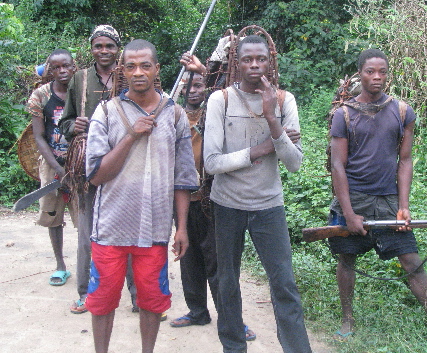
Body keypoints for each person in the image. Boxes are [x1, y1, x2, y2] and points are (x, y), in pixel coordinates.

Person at [84, 39, 197, 353]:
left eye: (145, 65)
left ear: (157, 69)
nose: (138, 72)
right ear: (121, 71)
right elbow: (96, 175)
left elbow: (183, 178)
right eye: (130, 66)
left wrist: (182, 228)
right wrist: (131, 135)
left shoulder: (173, 114)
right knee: (102, 301)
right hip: (110, 228)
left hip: (155, 231)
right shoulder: (106, 112)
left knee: (151, 301)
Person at [203, 35, 312, 353]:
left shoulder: (283, 101)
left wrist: (272, 121)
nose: (254, 65)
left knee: (284, 284)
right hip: (227, 204)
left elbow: (294, 163)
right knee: (228, 281)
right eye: (246, 59)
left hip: (268, 205)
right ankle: (233, 347)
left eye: (260, 59)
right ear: (235, 62)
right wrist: (259, 150)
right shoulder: (219, 100)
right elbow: (211, 163)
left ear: (271, 61)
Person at [329, 48, 427, 339]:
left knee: (412, 262)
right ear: (360, 74)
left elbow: (404, 161)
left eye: (382, 71)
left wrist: (403, 207)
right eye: (370, 71)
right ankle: (347, 319)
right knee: (347, 259)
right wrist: (348, 212)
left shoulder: (403, 112)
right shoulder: (344, 115)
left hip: (388, 199)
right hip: (354, 197)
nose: (377, 77)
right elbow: (338, 165)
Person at [169, 56, 256, 341]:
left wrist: (202, 70)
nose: (193, 90)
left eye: (199, 85)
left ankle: (232, 320)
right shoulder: (174, 114)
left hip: (211, 198)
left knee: (218, 262)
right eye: (189, 85)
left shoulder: (214, 111)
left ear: (206, 87)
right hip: (183, 198)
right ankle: (197, 311)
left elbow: (228, 89)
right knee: (188, 256)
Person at [58, 25, 138, 315]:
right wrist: (72, 127)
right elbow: (64, 123)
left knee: (129, 232)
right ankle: (86, 294)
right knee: (88, 234)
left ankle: (136, 296)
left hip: (126, 167)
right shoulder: (79, 79)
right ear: (91, 48)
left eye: (109, 46)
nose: (104, 51)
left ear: (118, 49)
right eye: (98, 46)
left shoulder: (130, 74)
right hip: (88, 169)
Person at [26, 49, 78, 286]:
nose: (62, 71)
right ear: (50, 70)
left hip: (81, 163)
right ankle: (60, 265)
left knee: (85, 216)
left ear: (73, 66)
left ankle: (90, 264)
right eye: (56, 67)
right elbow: (39, 136)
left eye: (66, 66)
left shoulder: (82, 91)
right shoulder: (41, 96)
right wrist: (57, 167)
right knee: (52, 215)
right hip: (52, 162)